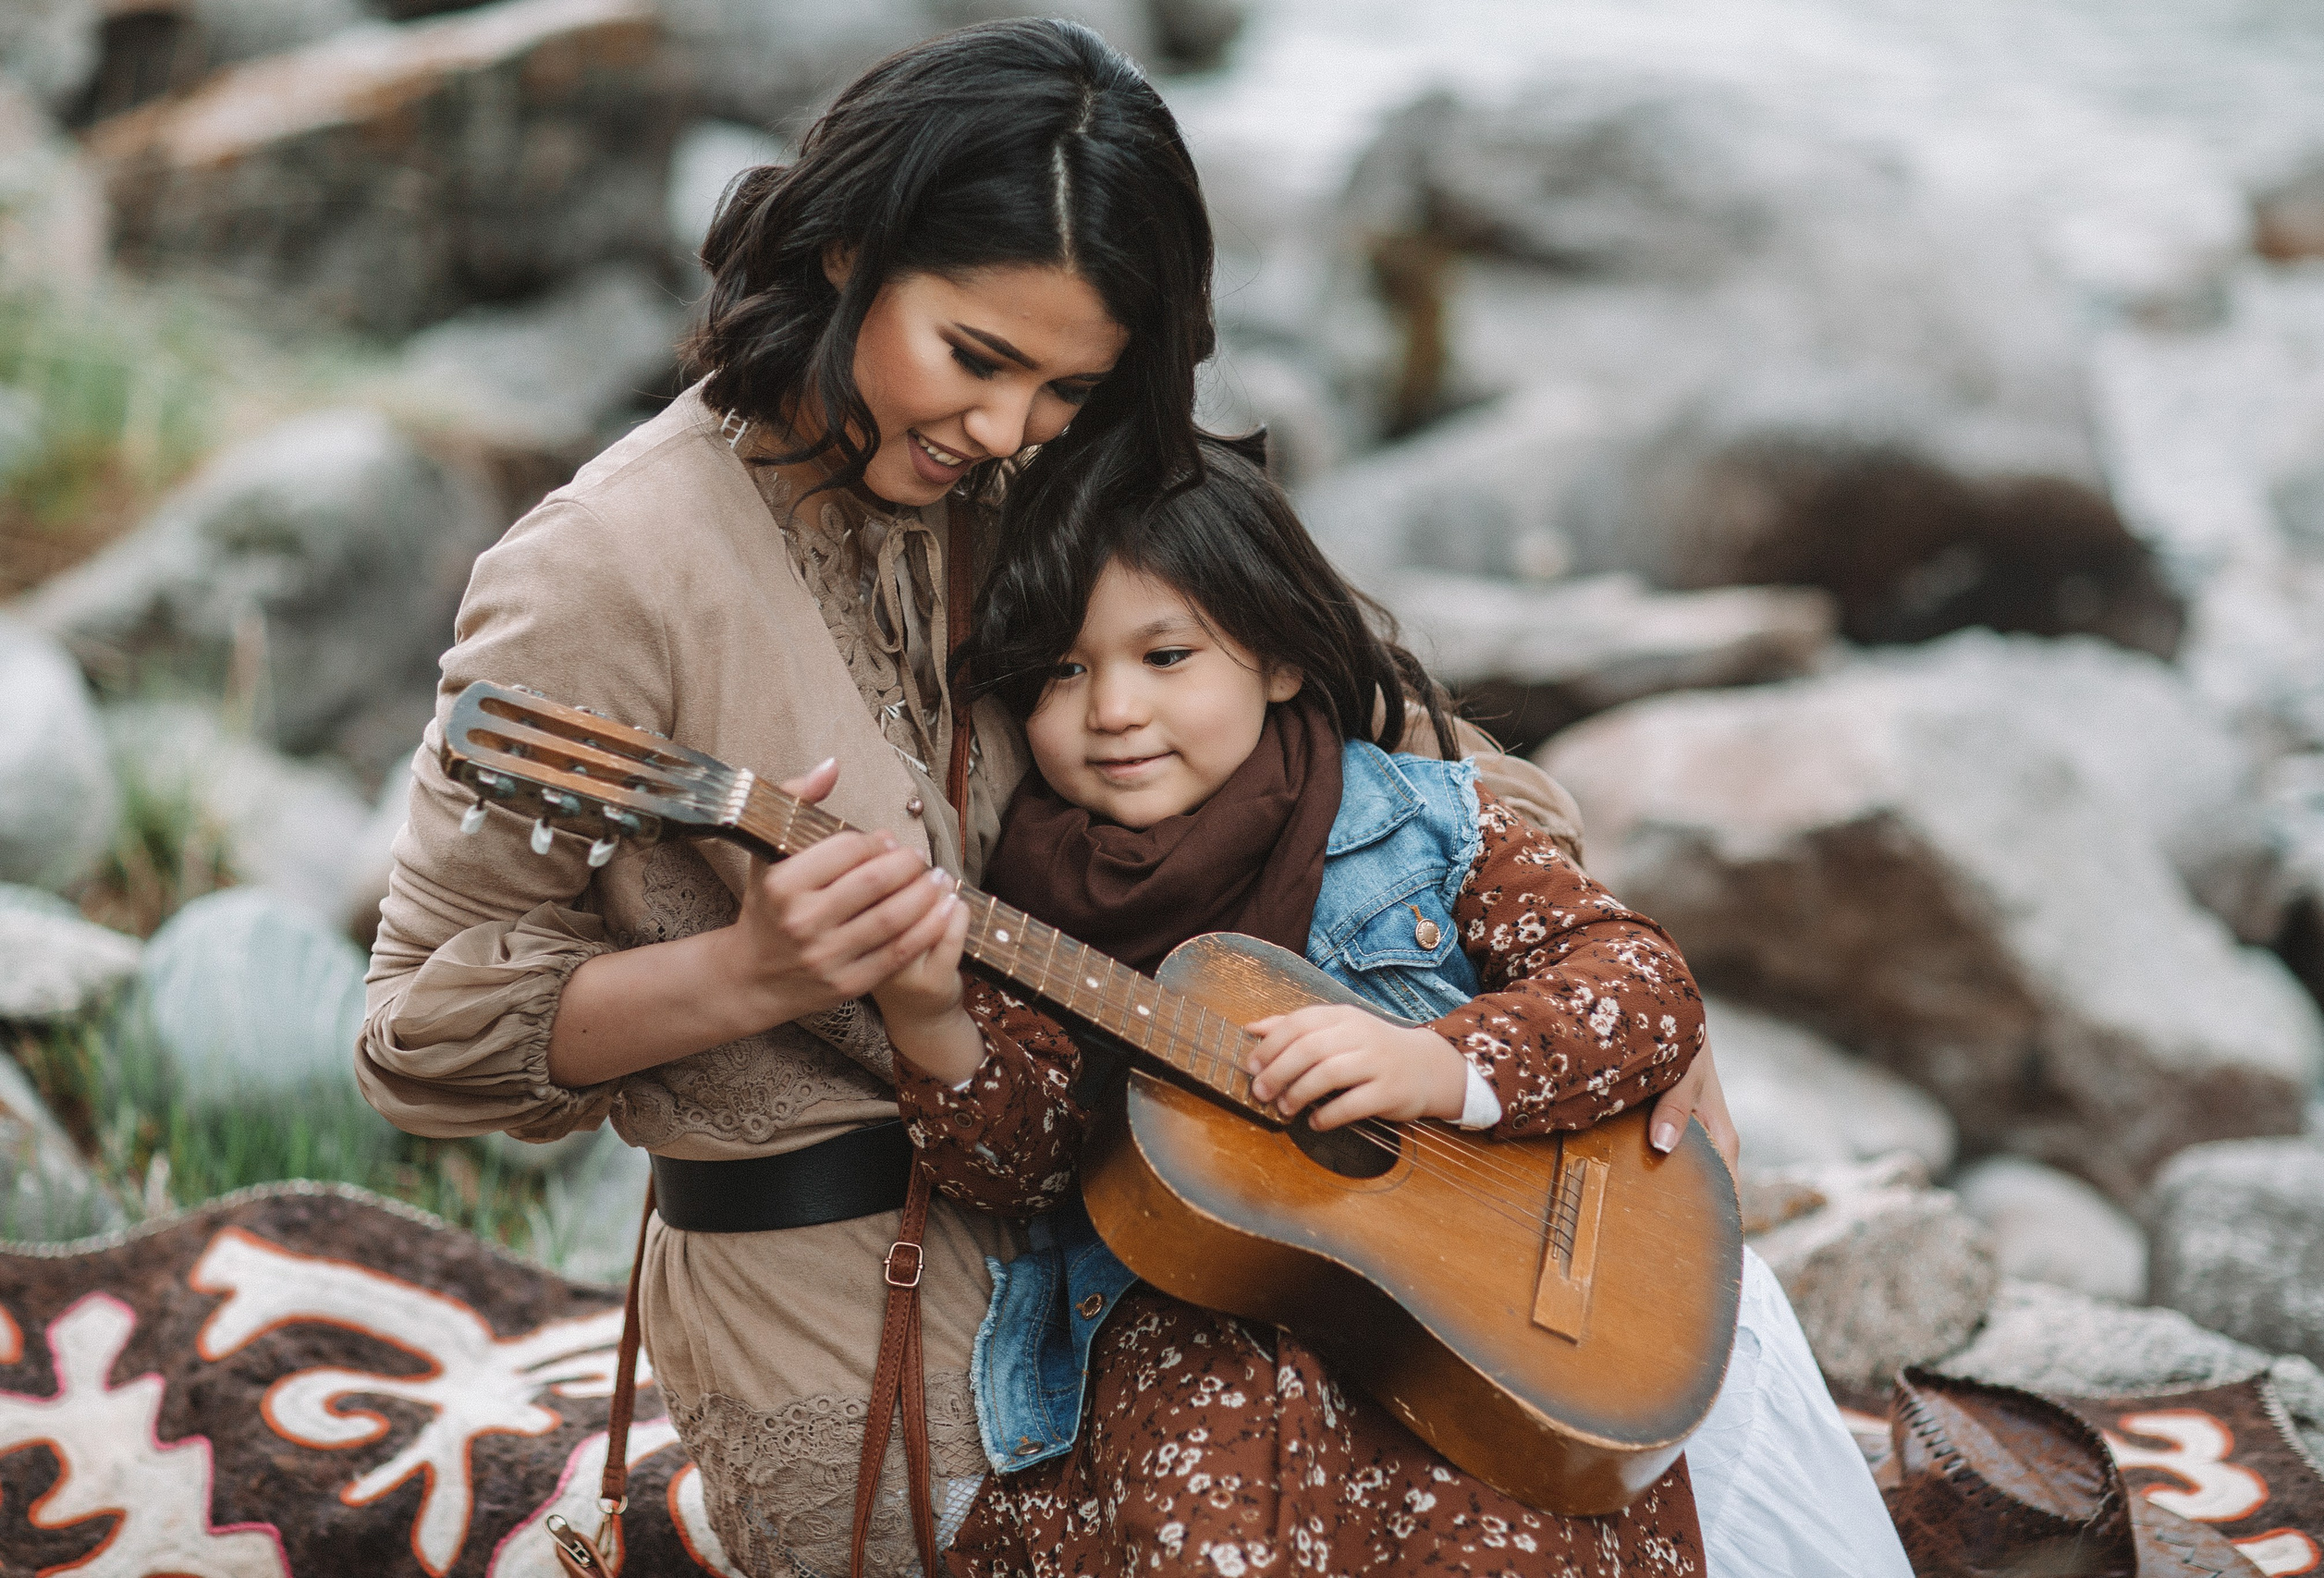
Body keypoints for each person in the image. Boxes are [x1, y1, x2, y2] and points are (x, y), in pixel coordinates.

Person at [355, 20, 1728, 1575]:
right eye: (976, 357)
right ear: (843, 250)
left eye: (1067, 385)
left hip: (1227, 1237)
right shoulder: (599, 574)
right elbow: (420, 1034)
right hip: (841, 1298)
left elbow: (1397, 741)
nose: (1005, 431)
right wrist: (748, 972)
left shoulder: (1049, 473)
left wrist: (1593, 1054)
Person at [870, 441, 1912, 1576]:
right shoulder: (1025, 911)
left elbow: (1636, 980)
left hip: (1474, 1306)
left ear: (1273, 658)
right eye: (1060, 674)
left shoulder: (1421, 824)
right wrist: (929, 1016)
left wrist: (1441, 1065)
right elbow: (1017, 1165)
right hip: (1185, 1324)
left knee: (1499, 1542)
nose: (1112, 709)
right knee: (1211, 1523)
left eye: (1165, 655)